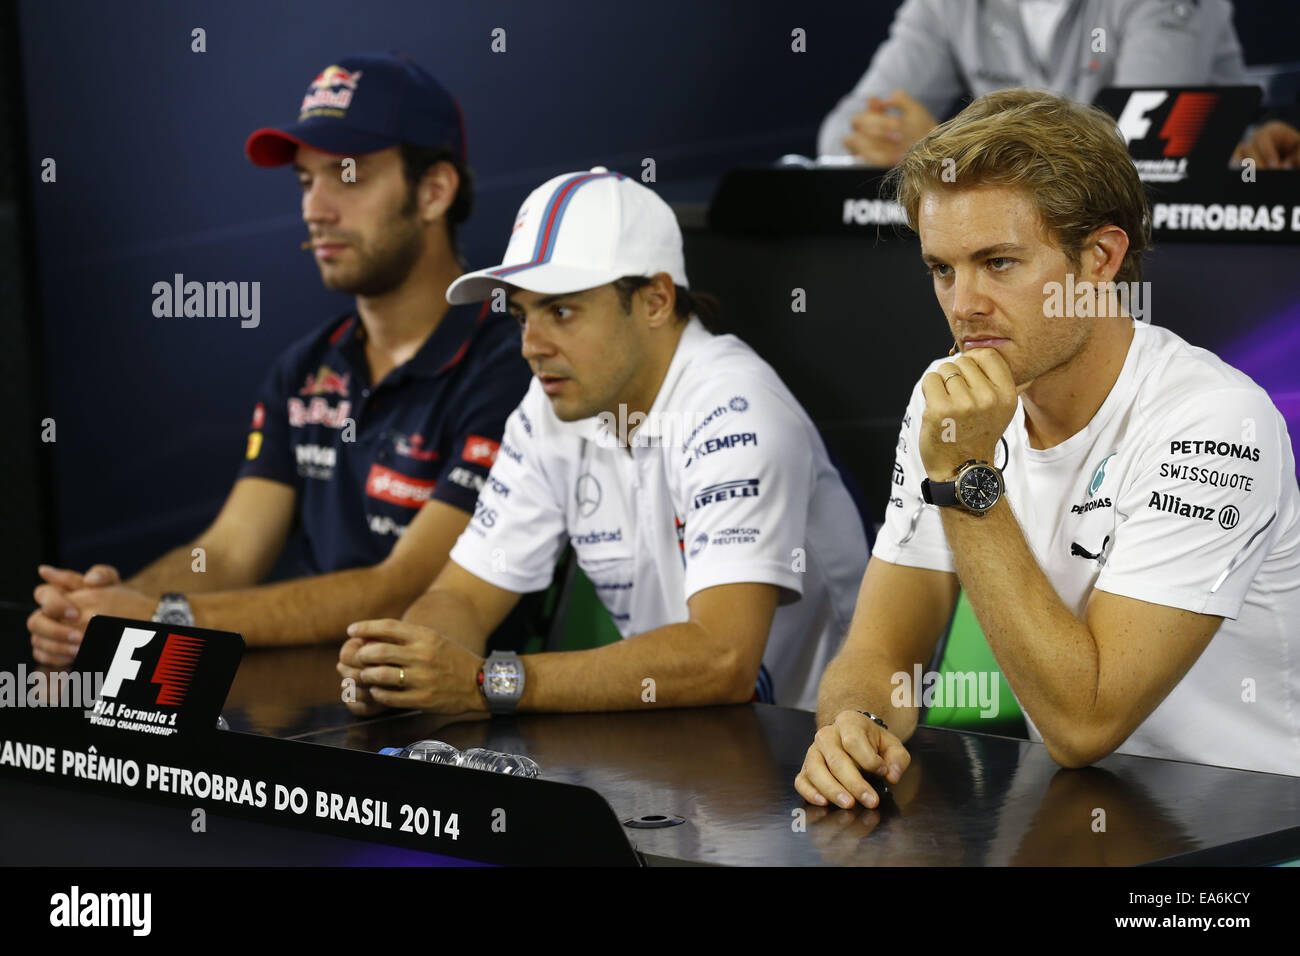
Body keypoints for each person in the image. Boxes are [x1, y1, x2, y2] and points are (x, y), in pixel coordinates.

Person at [796, 88, 1300, 810]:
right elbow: (879, 653)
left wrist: (967, 474)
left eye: (998, 263)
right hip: (1078, 825)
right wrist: (856, 726)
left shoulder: (1216, 423)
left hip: (1253, 844)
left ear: (1099, 258)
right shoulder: (953, 395)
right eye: (942, 269)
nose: (963, 304)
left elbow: (1084, 722)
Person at [28, 53, 530, 662]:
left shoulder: (514, 363)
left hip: (460, 731)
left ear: (433, 191)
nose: (314, 209)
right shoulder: (307, 367)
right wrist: (108, 605)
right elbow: (234, 550)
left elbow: (403, 588)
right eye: (304, 180)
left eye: (347, 175)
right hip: (312, 716)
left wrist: (165, 616)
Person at [335, 169, 869, 716]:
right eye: (522, 315)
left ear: (656, 300)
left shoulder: (738, 409)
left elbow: (722, 657)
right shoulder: (549, 409)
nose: (530, 346)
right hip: (679, 743)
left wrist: (486, 682)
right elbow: (462, 597)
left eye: (561, 311)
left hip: (814, 752)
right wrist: (402, 666)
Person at [819, 0, 1298, 170]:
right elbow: (841, 131)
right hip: (1033, 247)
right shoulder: (944, 4)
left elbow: (1136, 155)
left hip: (1175, 242)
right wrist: (881, 140)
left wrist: (942, 150)